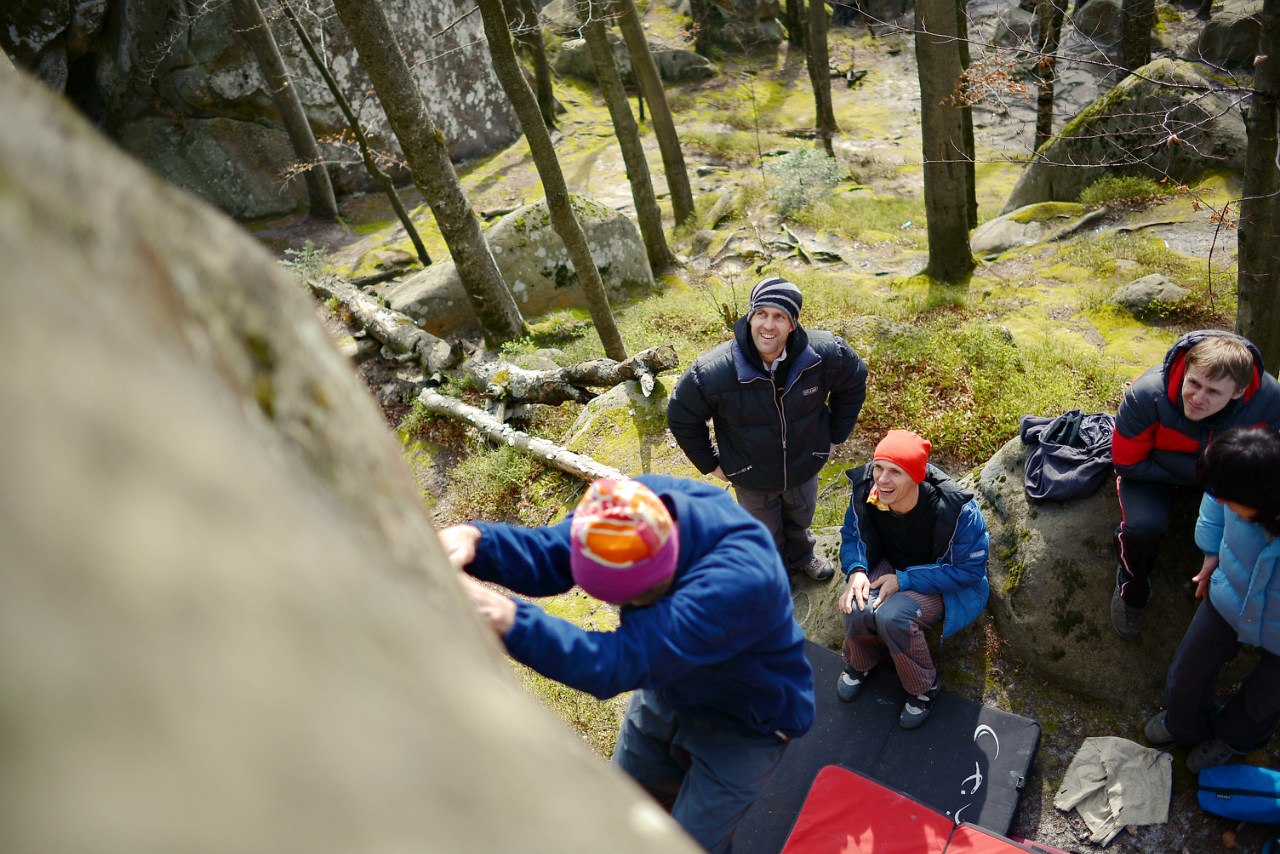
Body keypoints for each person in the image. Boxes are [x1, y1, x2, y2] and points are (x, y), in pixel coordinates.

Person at [439, 475, 815, 854]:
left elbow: (613, 663)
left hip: (748, 723)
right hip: (669, 691)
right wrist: (477, 541)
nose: (628, 609)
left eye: (637, 599)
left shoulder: (739, 580)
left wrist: (507, 618)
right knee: (621, 811)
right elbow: (551, 553)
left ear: (667, 567)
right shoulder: (627, 510)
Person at [667, 276, 868, 582]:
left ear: (793, 325)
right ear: (750, 318)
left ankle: (803, 557)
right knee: (763, 531)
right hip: (751, 474)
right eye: (761, 314)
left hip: (804, 464)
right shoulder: (713, 372)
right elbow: (682, 416)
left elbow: (854, 381)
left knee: (800, 518)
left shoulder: (825, 355)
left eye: (779, 316)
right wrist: (710, 464)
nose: (768, 325)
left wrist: (835, 435)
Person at [1111, 330, 1280, 640]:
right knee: (1143, 529)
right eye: (1194, 383)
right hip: (1151, 476)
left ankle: (1243, 616)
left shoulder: (1268, 402)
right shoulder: (1148, 395)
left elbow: (1269, 465)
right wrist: (1200, 478)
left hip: (1219, 479)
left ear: (1239, 391)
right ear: (1186, 371)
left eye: (1213, 392)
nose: (1198, 398)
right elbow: (1127, 462)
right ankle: (1131, 587)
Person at [1143, 426, 1280, 773]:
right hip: (1230, 595)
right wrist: (1210, 551)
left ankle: (1234, 738)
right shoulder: (1239, 476)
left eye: (1228, 498)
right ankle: (1183, 723)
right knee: (1187, 673)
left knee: (1264, 699)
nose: (1219, 500)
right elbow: (1213, 501)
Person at [835, 430, 990, 729]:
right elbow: (853, 534)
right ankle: (860, 663)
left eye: (895, 472)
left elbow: (970, 571)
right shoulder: (867, 491)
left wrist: (903, 580)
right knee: (857, 605)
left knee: (893, 617)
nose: (882, 480)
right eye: (879, 467)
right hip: (891, 563)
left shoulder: (956, 510)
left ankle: (923, 688)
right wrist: (856, 570)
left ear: (916, 477)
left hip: (936, 578)